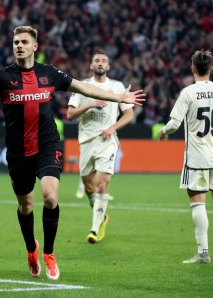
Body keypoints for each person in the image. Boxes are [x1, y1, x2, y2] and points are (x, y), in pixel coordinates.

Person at [0, 26, 146, 280]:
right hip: (18, 151)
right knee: (25, 207)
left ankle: (49, 253)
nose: (19, 45)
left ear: (35, 46)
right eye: (15, 42)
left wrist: (119, 97)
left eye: (24, 41)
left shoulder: (49, 73)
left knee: (50, 197)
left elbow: (83, 88)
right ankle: (31, 249)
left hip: (47, 145)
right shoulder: (3, 77)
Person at [158, 50, 213, 264]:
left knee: (197, 202)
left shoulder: (188, 92)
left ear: (193, 68)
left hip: (196, 157)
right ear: (211, 69)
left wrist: (163, 132)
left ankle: (203, 253)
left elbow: (175, 123)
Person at [66, 49, 134, 244]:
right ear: (91, 65)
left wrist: (113, 127)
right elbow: (70, 115)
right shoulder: (82, 86)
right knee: (89, 188)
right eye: (97, 60)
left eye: (104, 61)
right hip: (86, 141)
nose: (100, 63)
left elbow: (129, 115)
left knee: (103, 185)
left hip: (107, 141)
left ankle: (95, 229)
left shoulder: (117, 86)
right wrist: (90, 104)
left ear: (109, 66)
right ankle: (103, 217)